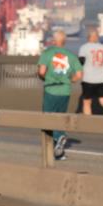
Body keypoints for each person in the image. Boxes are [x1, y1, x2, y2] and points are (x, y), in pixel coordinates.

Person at [37, 29, 83, 160]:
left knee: (48, 119)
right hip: (65, 91)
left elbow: (41, 71)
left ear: (53, 40)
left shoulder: (47, 53)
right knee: (60, 117)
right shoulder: (71, 55)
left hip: (51, 90)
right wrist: (69, 80)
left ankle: (56, 140)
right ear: (64, 41)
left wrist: (45, 78)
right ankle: (59, 152)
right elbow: (79, 75)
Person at [78, 28, 103, 116]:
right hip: (102, 79)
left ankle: (89, 121)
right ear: (97, 37)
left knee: (87, 102)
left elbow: (81, 61)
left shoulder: (84, 47)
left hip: (88, 79)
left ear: (88, 37)